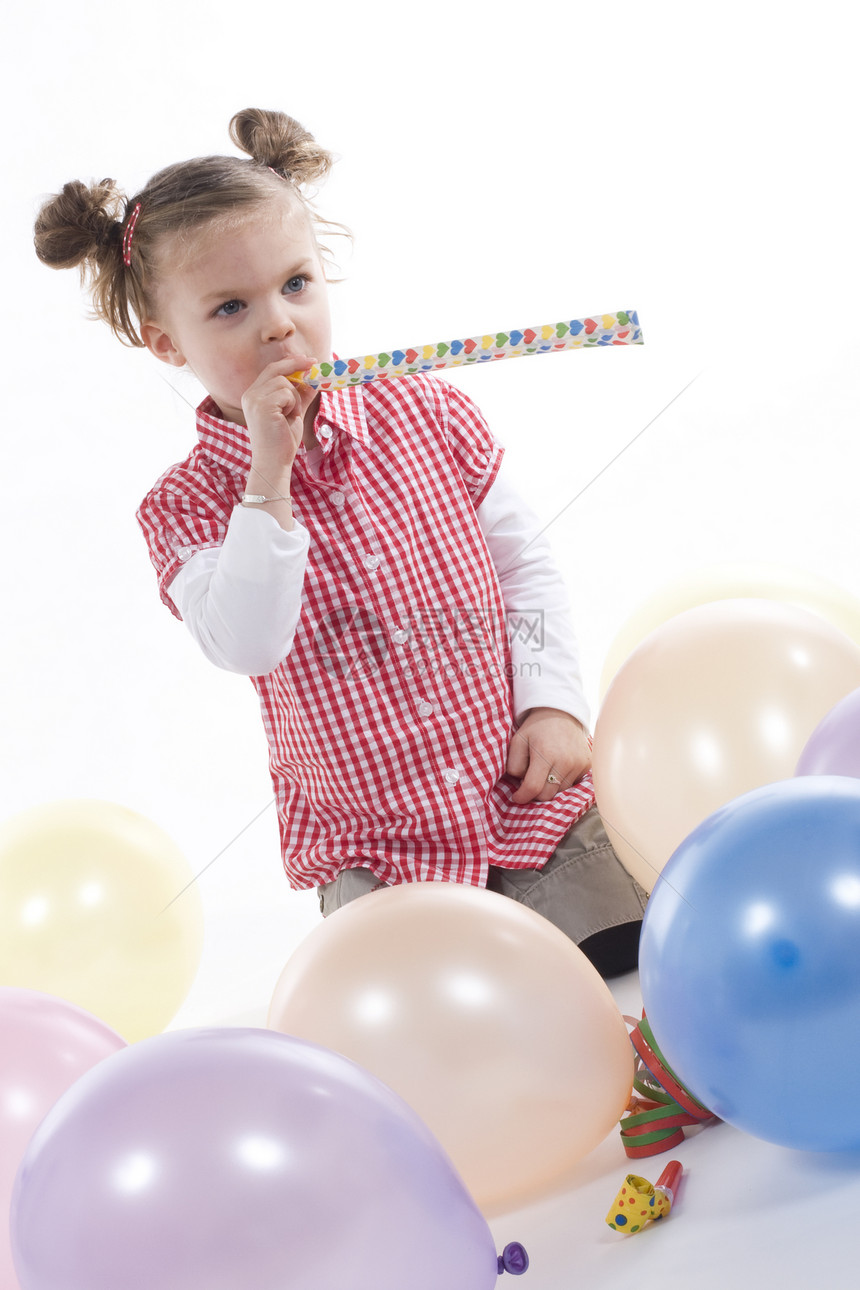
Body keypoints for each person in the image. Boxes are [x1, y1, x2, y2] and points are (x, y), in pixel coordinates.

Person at [34, 107, 646, 976]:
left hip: (523, 796)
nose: (278, 324)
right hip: (377, 848)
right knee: (428, 1013)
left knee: (626, 955)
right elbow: (248, 640)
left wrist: (551, 702)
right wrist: (267, 480)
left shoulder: (426, 409)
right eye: (231, 307)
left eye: (296, 285)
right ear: (169, 344)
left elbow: (524, 565)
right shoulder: (186, 507)